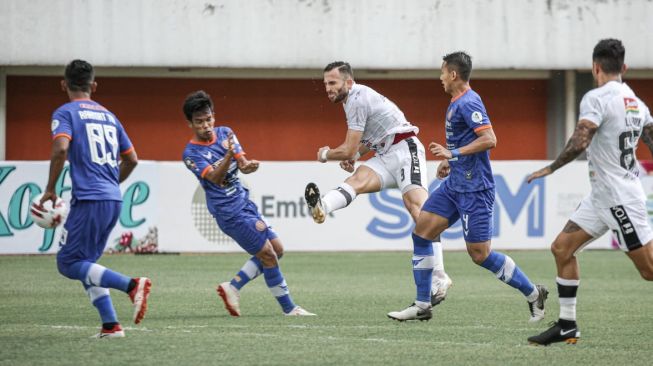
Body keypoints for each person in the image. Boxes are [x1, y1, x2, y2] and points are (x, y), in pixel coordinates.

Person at [386, 52, 548, 322]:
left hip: (476, 191)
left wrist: (454, 153)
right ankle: (422, 305)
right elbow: (467, 142)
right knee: (422, 233)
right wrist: (452, 161)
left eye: (441, 72)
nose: (439, 78)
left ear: (453, 74)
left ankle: (533, 293)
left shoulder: (469, 101)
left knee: (480, 255)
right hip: (454, 185)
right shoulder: (455, 102)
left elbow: (490, 139)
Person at [527, 39, 653, 346]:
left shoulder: (596, 98)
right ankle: (567, 325)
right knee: (562, 248)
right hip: (602, 197)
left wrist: (551, 168)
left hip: (619, 198)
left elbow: (581, 140)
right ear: (623, 68)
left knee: (649, 271)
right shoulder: (636, 102)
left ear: (595, 67)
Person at [304, 61, 452, 307]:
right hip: (386, 153)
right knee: (357, 179)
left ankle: (440, 277)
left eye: (332, 83)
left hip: (406, 150)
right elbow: (367, 139)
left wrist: (326, 154)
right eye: (325, 84)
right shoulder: (352, 98)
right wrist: (356, 156)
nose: (328, 89)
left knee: (421, 214)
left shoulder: (357, 98)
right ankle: (322, 208)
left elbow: (348, 147)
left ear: (348, 82)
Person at [37, 59, 151, 338]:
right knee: (87, 263)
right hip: (113, 198)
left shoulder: (65, 113)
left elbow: (60, 150)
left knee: (68, 264)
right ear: (94, 86)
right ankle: (110, 325)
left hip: (89, 199)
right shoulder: (110, 116)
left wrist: (50, 189)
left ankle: (132, 285)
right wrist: (111, 183)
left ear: (64, 84)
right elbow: (132, 159)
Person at [181, 90, 315, 317]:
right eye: (199, 122)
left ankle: (232, 287)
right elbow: (215, 177)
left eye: (209, 119)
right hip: (228, 212)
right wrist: (229, 157)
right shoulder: (191, 153)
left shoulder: (226, 132)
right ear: (190, 124)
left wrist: (248, 165)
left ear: (214, 115)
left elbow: (242, 163)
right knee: (268, 255)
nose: (206, 125)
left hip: (244, 203)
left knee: (278, 250)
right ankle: (289, 308)